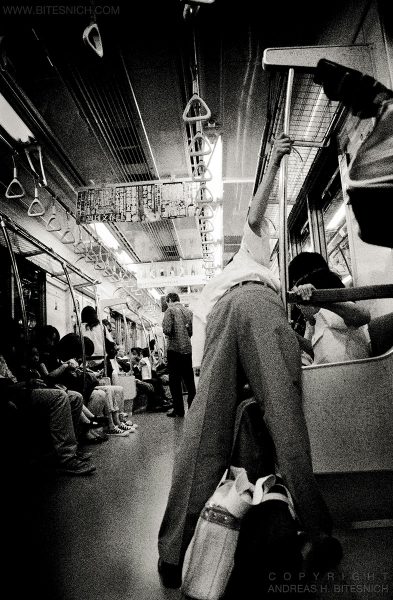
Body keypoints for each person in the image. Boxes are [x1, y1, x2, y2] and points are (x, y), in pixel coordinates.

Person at [157, 133, 341, 588]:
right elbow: (254, 214)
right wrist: (275, 161)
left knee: (203, 432)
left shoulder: (226, 278)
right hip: (257, 305)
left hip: (221, 318)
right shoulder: (259, 263)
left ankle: (173, 554)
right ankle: (316, 534)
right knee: (285, 421)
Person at [289, 252, 371, 364]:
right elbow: (316, 350)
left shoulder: (334, 312)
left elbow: (364, 315)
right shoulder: (315, 321)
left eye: (300, 303)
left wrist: (319, 300)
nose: (300, 308)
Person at [162, 293, 196, 417]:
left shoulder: (169, 310)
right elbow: (191, 332)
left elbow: (167, 329)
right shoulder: (189, 312)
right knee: (189, 381)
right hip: (187, 350)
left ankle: (179, 410)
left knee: (175, 382)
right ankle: (192, 408)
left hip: (174, 350)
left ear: (169, 300)